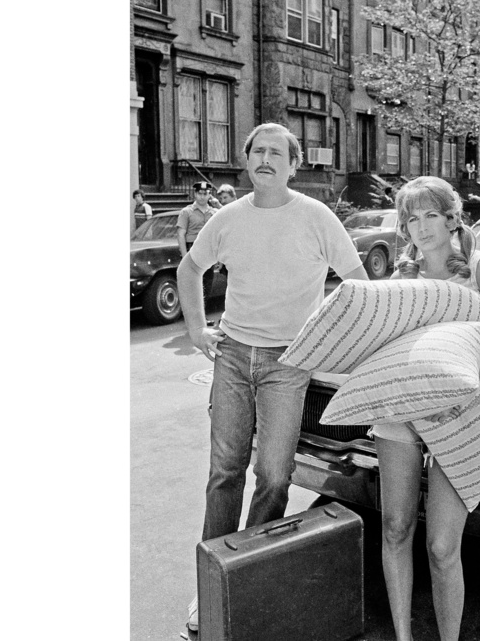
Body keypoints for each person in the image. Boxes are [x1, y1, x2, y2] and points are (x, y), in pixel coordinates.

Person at [178, 123, 368, 631]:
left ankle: (248, 573)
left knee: (276, 475)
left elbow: (360, 284)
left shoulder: (315, 217)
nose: (266, 158)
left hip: (290, 361)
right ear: (246, 160)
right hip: (234, 356)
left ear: (293, 164)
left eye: (276, 152)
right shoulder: (227, 218)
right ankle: (210, 585)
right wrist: (197, 328)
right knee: (225, 471)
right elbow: (190, 269)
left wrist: (333, 337)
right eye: (257, 150)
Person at [374, 176, 480, 641]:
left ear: (452, 218)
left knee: (440, 546)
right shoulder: (402, 278)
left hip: (461, 414)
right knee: (395, 527)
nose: (421, 227)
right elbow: (386, 347)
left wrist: (458, 391)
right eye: (411, 219)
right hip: (402, 415)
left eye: (430, 215)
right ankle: (402, 636)